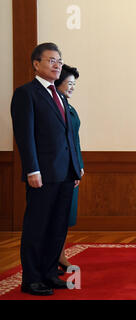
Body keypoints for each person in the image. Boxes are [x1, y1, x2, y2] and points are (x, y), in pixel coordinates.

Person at [10, 43, 82, 295]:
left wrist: (75, 168)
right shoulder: (25, 94)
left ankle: (50, 273)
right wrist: (32, 170)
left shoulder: (60, 96)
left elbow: (68, 135)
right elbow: (25, 136)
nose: (57, 65)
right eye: (51, 60)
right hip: (42, 174)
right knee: (37, 227)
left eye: (59, 61)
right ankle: (31, 279)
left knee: (57, 226)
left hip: (65, 174)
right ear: (36, 64)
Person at [55, 64, 84, 274]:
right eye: (69, 83)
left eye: (74, 84)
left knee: (66, 216)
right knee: (56, 215)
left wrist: (79, 166)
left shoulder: (69, 106)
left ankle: (59, 254)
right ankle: (56, 256)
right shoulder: (54, 106)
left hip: (72, 169)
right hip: (57, 170)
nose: (72, 87)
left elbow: (75, 140)